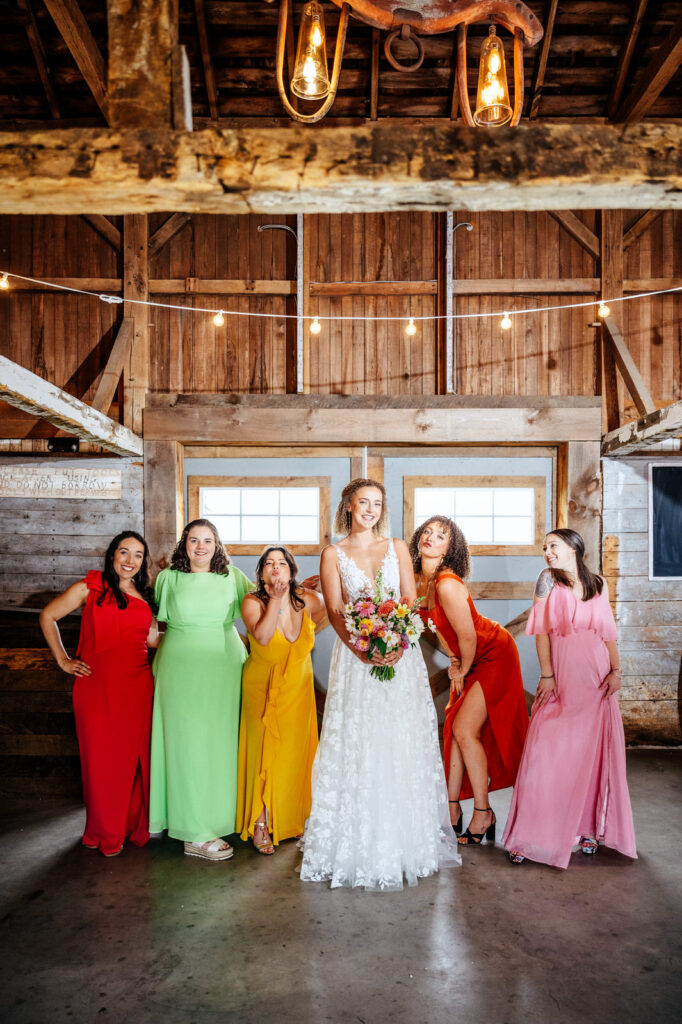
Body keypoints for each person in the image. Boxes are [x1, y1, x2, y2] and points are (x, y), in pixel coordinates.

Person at [300, 479, 460, 891]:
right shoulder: (333, 553)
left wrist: (397, 640)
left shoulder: (397, 548)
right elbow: (335, 609)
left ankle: (404, 841)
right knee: (361, 741)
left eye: (377, 504)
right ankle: (355, 842)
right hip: (356, 658)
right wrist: (361, 649)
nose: (370, 509)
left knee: (398, 740)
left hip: (398, 655)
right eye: (363, 502)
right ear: (349, 506)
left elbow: (409, 600)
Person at [503, 529, 637, 869]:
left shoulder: (597, 584)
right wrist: (547, 674)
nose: (547, 552)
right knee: (543, 758)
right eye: (545, 547)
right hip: (561, 678)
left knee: (592, 757)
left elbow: (607, 632)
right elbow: (543, 633)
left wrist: (617, 671)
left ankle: (588, 829)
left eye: (554, 546)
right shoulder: (547, 580)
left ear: (574, 548)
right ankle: (527, 837)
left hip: (596, 678)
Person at [410, 516, 529, 846]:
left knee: (464, 729)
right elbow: (443, 631)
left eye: (441, 536)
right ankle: (452, 811)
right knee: (454, 729)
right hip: (468, 654)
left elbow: (468, 635)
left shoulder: (447, 584)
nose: (431, 538)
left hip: (493, 653)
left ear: (451, 548)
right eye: (427, 532)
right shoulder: (419, 582)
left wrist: (462, 668)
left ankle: (483, 812)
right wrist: (452, 658)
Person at [40, 532, 158, 857]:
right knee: (102, 761)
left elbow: (153, 642)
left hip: (137, 688)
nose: (130, 560)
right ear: (112, 556)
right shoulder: (89, 588)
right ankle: (104, 832)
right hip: (95, 688)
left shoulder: (146, 598)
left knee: (134, 762)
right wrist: (64, 660)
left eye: (137, 555)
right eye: (124, 552)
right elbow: (47, 616)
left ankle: (130, 826)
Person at [150, 518, 253, 861]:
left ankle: (223, 818)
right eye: (194, 540)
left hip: (224, 666)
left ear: (217, 544)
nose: (200, 547)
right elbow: (151, 624)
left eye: (207, 540)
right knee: (187, 744)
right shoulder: (168, 578)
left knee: (221, 743)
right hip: (180, 668)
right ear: (184, 545)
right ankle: (193, 830)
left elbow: (263, 602)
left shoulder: (233, 577)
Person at [236, 546, 326, 855]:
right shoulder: (252, 601)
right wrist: (275, 598)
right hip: (261, 687)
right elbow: (261, 637)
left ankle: (291, 819)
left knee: (292, 753)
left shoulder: (308, 601)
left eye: (282, 564)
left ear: (291, 571)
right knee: (262, 752)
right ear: (261, 573)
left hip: (298, 690)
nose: (276, 568)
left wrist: (298, 592)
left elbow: (327, 615)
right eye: (269, 564)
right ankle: (260, 822)